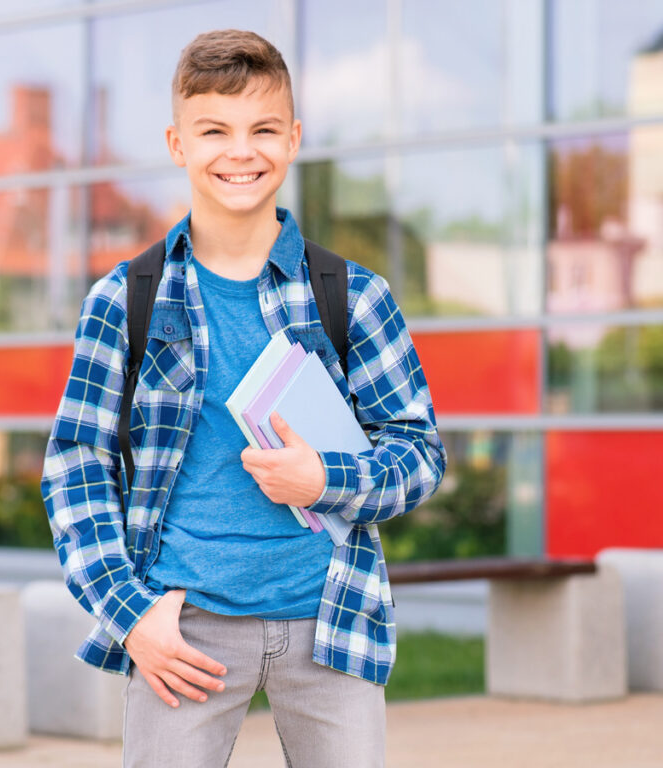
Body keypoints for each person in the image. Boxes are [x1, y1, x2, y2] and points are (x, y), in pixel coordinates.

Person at [40, 28, 446, 768]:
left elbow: (419, 454)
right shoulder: (124, 301)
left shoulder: (353, 298)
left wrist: (326, 480)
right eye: (214, 131)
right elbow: (77, 469)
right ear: (177, 143)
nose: (241, 151)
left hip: (331, 621)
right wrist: (132, 619)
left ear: (292, 140)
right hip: (182, 629)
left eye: (263, 129)